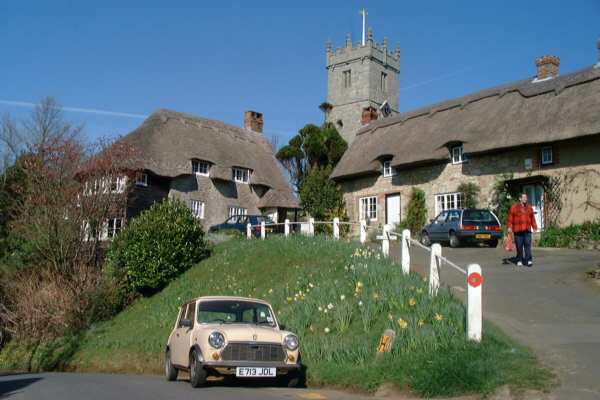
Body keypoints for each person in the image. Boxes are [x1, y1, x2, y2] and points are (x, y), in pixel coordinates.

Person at [507, 193, 537, 267]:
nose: (525, 199)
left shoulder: (529, 207)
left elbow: (532, 218)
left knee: (527, 245)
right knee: (519, 246)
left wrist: (535, 227)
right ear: (520, 198)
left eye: (526, 198)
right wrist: (509, 227)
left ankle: (529, 260)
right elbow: (510, 219)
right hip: (518, 230)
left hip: (527, 230)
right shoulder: (514, 207)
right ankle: (519, 260)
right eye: (524, 198)